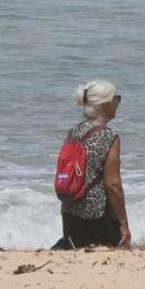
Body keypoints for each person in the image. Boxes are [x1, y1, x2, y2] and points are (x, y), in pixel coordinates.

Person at [54, 79, 131, 249]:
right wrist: (124, 224)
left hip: (70, 217)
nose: (118, 103)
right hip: (97, 219)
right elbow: (113, 185)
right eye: (116, 99)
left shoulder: (73, 133)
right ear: (105, 105)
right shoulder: (109, 136)